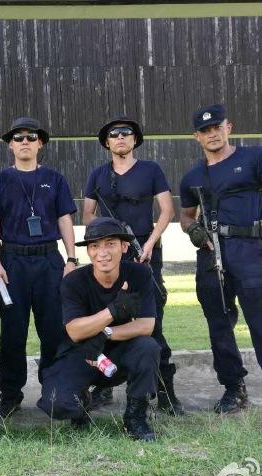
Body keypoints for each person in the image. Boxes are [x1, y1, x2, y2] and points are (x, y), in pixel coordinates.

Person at [179, 103, 262, 422]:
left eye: (217, 127)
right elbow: (185, 215)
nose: (212, 134)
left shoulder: (256, 157)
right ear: (197, 137)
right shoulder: (192, 176)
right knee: (219, 327)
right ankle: (233, 389)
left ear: (229, 127)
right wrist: (193, 229)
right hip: (211, 255)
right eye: (205, 131)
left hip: (250, 252)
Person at [82, 116, 183, 415]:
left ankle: (165, 392)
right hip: (111, 255)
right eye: (114, 134)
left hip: (144, 253)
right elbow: (87, 214)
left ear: (135, 140)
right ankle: (103, 386)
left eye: (126, 133)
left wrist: (149, 243)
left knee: (153, 320)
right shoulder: (97, 175)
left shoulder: (151, 170)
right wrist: (108, 237)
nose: (120, 137)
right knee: (107, 318)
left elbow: (167, 210)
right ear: (107, 142)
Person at [0, 116, 78, 418]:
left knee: (54, 330)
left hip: (49, 261)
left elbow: (64, 219)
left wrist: (71, 259)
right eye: (19, 137)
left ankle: (54, 390)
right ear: (10, 145)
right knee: (13, 332)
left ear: (40, 143)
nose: (25, 142)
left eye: (31, 137)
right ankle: (10, 395)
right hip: (12, 262)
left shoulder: (55, 179)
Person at [37, 217, 161, 441]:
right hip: (81, 353)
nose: (102, 253)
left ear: (124, 247)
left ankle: (136, 417)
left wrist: (106, 334)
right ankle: (81, 404)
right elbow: (75, 331)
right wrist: (113, 311)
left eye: (110, 244)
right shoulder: (73, 281)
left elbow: (147, 325)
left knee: (148, 347)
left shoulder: (140, 274)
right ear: (88, 251)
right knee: (56, 403)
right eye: (94, 246)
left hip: (119, 352)